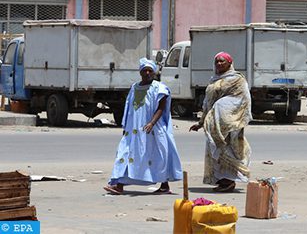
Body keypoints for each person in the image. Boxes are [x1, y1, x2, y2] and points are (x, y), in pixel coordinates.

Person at [104, 58, 183, 195]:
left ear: (154, 73)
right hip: (133, 130)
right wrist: (125, 127)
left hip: (152, 129)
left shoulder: (159, 88)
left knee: (157, 156)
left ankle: (164, 186)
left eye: (150, 71)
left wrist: (152, 123)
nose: (147, 73)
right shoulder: (134, 87)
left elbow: (161, 108)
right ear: (140, 72)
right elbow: (129, 108)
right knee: (125, 153)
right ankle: (119, 185)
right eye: (144, 70)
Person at [189, 52, 252, 192]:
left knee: (231, 150)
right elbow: (208, 103)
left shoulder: (237, 79)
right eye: (216, 61)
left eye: (222, 61)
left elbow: (244, 99)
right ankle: (223, 180)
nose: (218, 64)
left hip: (231, 123)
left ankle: (229, 181)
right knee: (216, 151)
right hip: (215, 125)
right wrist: (200, 122)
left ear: (229, 63)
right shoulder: (213, 80)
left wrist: (225, 108)